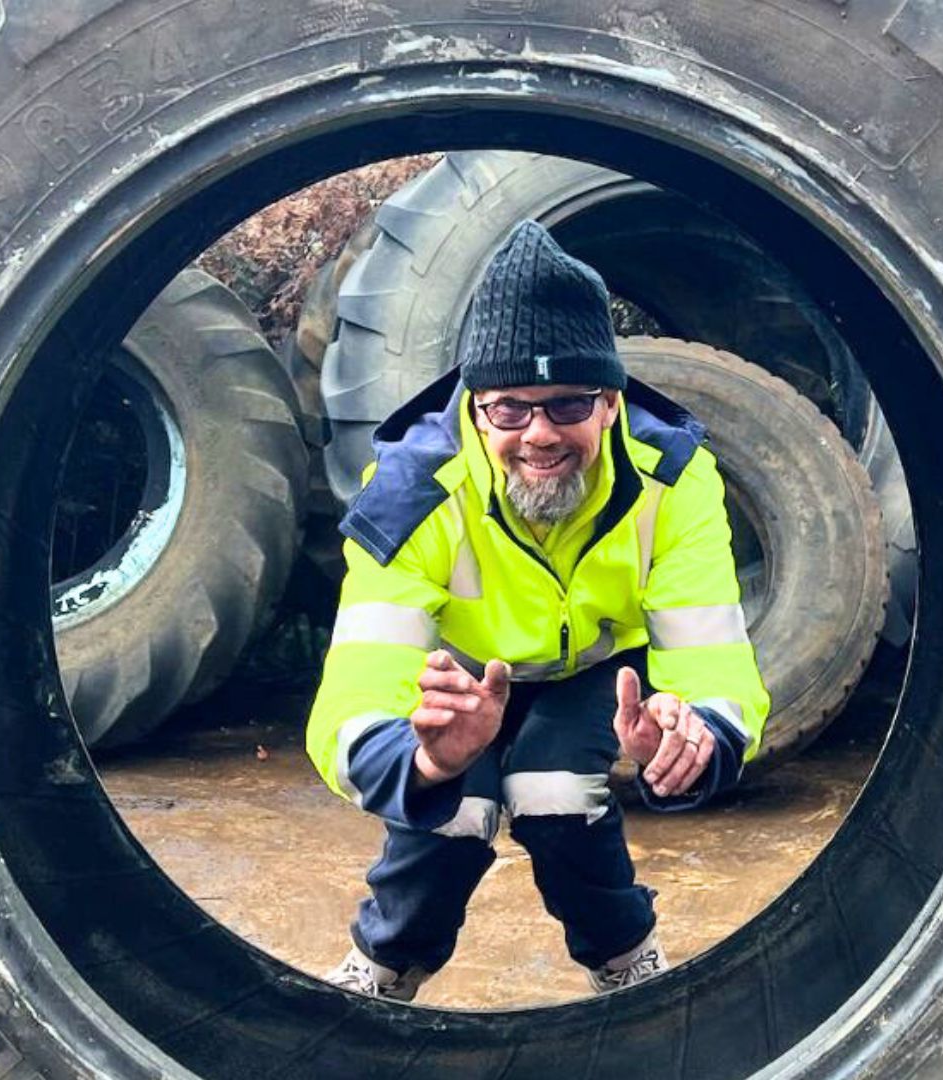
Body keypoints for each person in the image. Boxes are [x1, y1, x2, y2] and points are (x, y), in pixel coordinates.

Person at [305, 219, 770, 1001]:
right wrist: (425, 760)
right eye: (510, 410)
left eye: (566, 405)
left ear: (612, 404)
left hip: (595, 671)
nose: (539, 435)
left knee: (553, 791)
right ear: (476, 407)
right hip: (458, 679)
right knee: (454, 807)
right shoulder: (411, 491)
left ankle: (628, 970)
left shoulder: (676, 478)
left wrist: (695, 739)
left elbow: (713, 657)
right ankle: (383, 972)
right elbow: (354, 692)